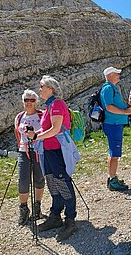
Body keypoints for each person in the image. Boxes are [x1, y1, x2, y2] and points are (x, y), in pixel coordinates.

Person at [27, 75, 80, 242]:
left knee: (62, 181)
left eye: (42, 86)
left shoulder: (57, 104)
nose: (40, 89)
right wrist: (35, 135)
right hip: (49, 151)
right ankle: (55, 215)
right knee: (52, 182)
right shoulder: (49, 106)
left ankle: (70, 219)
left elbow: (56, 128)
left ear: (51, 88)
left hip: (57, 151)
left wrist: (35, 136)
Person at [14, 89, 45, 226]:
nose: (29, 103)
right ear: (23, 102)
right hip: (23, 151)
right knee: (23, 179)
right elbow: (17, 134)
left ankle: (37, 206)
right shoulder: (19, 117)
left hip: (39, 150)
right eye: (26, 100)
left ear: (36, 102)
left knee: (39, 178)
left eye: (32, 100)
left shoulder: (41, 115)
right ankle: (24, 208)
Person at [100, 67, 131, 191]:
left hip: (114, 123)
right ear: (110, 75)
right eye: (117, 73)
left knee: (113, 152)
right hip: (113, 124)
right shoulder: (108, 88)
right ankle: (113, 180)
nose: (119, 75)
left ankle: (112, 177)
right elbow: (109, 107)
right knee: (114, 153)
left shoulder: (110, 87)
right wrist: (125, 112)